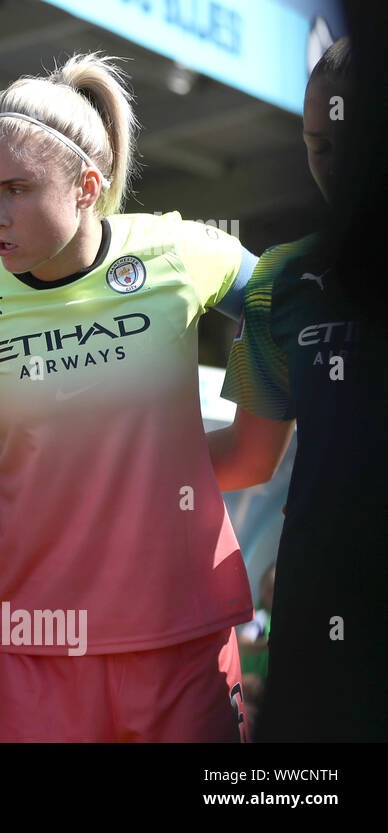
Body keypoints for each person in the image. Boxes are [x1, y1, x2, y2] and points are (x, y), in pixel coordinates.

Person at [0, 53, 257, 742]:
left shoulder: (179, 252)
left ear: (87, 187)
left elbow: (285, 301)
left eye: (17, 188)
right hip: (33, 642)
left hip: (179, 636)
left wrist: (261, 437)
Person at [211, 38, 386, 741]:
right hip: (322, 614)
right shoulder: (285, 281)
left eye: (355, 142)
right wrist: (90, 463)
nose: (334, 168)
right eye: (317, 145)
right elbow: (250, 456)